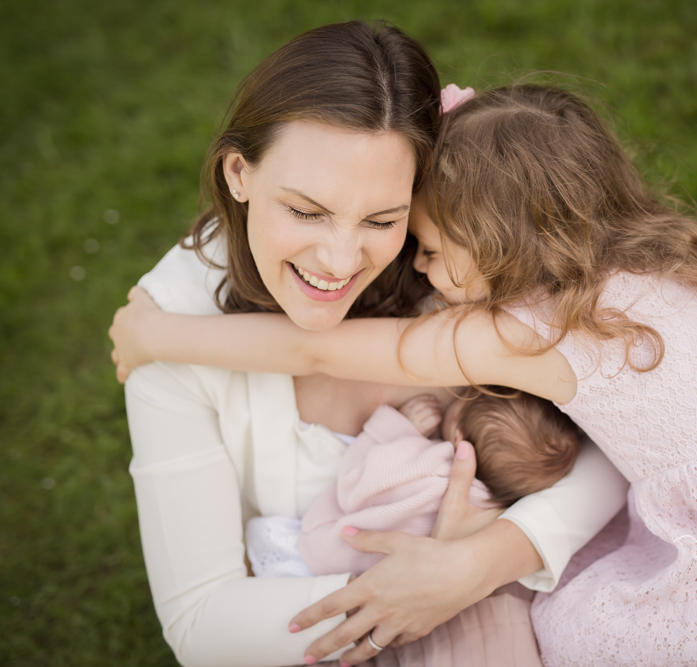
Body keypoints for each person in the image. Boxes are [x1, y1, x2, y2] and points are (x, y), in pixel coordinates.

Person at [111, 84, 697, 666]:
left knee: (579, 627)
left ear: (503, 241)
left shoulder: (523, 336)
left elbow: (316, 350)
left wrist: (158, 335)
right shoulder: (650, 264)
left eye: (435, 250)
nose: (428, 273)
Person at [114, 24, 629, 667]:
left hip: (531, 583)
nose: (337, 259)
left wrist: (481, 563)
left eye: (382, 220)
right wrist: (403, 594)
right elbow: (200, 622)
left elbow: (625, 436)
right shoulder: (170, 328)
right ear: (239, 172)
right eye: (305, 210)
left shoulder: (462, 253)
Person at [248, 390, 580, 578]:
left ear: (457, 436)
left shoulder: (432, 465)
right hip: (360, 582)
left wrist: (397, 427)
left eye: (460, 402)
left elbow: (354, 485)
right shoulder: (493, 512)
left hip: (317, 552)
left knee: (260, 535)